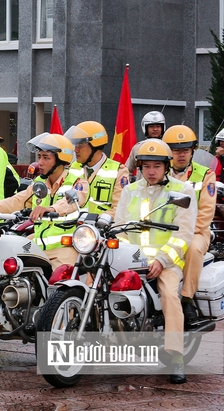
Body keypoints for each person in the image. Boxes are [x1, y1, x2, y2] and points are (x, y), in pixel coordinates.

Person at [114, 139, 197, 384]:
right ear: (139, 167)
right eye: (146, 166)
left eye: (156, 166)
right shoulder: (130, 190)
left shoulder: (183, 192)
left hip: (166, 262)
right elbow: (119, 226)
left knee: (170, 295)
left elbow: (183, 236)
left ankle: (176, 357)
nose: (151, 171)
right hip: (131, 259)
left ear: (166, 167)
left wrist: (161, 261)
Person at [0, 133, 88, 268]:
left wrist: (52, 209)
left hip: (65, 247)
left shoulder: (78, 180)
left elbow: (72, 200)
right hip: (37, 244)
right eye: (39, 157)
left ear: (60, 160)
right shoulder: (39, 182)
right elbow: (16, 201)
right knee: (4, 263)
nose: (40, 162)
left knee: (60, 283)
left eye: (46, 158)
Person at [162, 125, 217, 326]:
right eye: (176, 150)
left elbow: (206, 213)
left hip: (196, 232)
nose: (181, 155)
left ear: (193, 150)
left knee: (192, 248)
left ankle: (187, 299)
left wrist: (183, 233)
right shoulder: (160, 173)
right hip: (164, 230)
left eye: (185, 150)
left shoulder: (205, 174)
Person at [63, 121, 129, 218]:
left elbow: (120, 208)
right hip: (70, 228)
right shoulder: (72, 167)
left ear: (95, 146)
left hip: (101, 230)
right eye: (75, 145)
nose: (76, 150)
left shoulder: (118, 171)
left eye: (80, 145)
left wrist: (99, 218)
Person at [125, 110, 166, 176]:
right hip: (142, 186)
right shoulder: (138, 148)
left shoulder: (167, 147)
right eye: (151, 126)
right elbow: (127, 170)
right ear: (145, 128)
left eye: (158, 126)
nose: (155, 129)